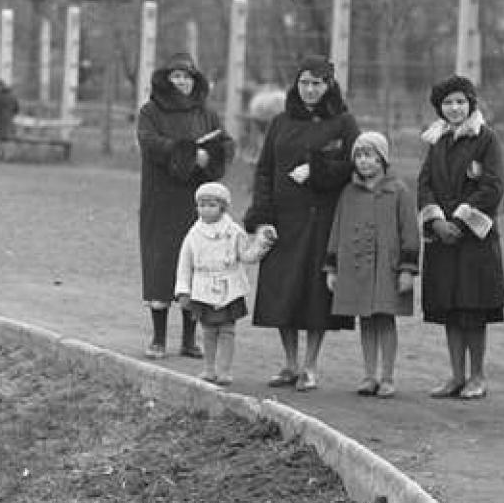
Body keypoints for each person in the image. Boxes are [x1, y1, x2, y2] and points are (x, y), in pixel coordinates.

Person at [245, 55, 358, 391]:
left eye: (318, 83)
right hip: (283, 219)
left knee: (314, 293)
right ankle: (290, 363)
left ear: (329, 85)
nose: (310, 89)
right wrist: (262, 216)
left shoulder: (343, 122)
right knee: (284, 291)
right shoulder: (280, 122)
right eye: (305, 82)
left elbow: (359, 163)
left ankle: (310, 365)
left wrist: (319, 169)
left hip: (321, 219)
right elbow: (264, 169)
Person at [417, 75, 504, 400]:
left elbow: (493, 185)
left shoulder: (486, 139)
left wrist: (459, 219)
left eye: (460, 101)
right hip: (442, 240)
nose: (454, 108)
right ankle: (456, 375)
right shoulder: (436, 141)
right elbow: (424, 184)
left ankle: (478, 376)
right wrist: (437, 221)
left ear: (471, 103)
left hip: (474, 242)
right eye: (447, 103)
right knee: (450, 308)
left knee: (473, 309)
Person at [136, 52, 230, 360]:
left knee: (194, 264)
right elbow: (150, 142)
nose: (182, 82)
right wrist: (188, 153)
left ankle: (190, 339)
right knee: (161, 264)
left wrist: (210, 157)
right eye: (176, 76)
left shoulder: (207, 113)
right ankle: (159, 338)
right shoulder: (150, 111)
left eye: (187, 77)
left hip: (197, 201)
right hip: (161, 200)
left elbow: (225, 145)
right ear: (166, 79)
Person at [324, 131, 418, 398]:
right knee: (365, 319)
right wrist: (332, 268)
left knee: (386, 319)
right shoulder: (348, 193)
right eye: (359, 156)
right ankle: (369, 375)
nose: (364, 162)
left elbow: (410, 231)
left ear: (383, 159)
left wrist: (408, 270)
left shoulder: (398, 191)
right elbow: (337, 229)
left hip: (389, 269)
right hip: (357, 269)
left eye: (370, 156)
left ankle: (387, 377)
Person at [173, 182, 266, 386]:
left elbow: (246, 255)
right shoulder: (193, 235)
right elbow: (184, 264)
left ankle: (224, 370)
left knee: (227, 330)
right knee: (208, 330)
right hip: (203, 287)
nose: (206, 209)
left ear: (223, 207)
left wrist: (260, 245)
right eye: (202, 204)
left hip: (229, 287)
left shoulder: (234, 232)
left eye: (212, 204)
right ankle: (209, 368)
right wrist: (183, 290)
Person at [0, 81, 21, 162]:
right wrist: (11, 115)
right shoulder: (13, 96)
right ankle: (8, 156)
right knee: (8, 139)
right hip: (9, 120)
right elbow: (17, 108)